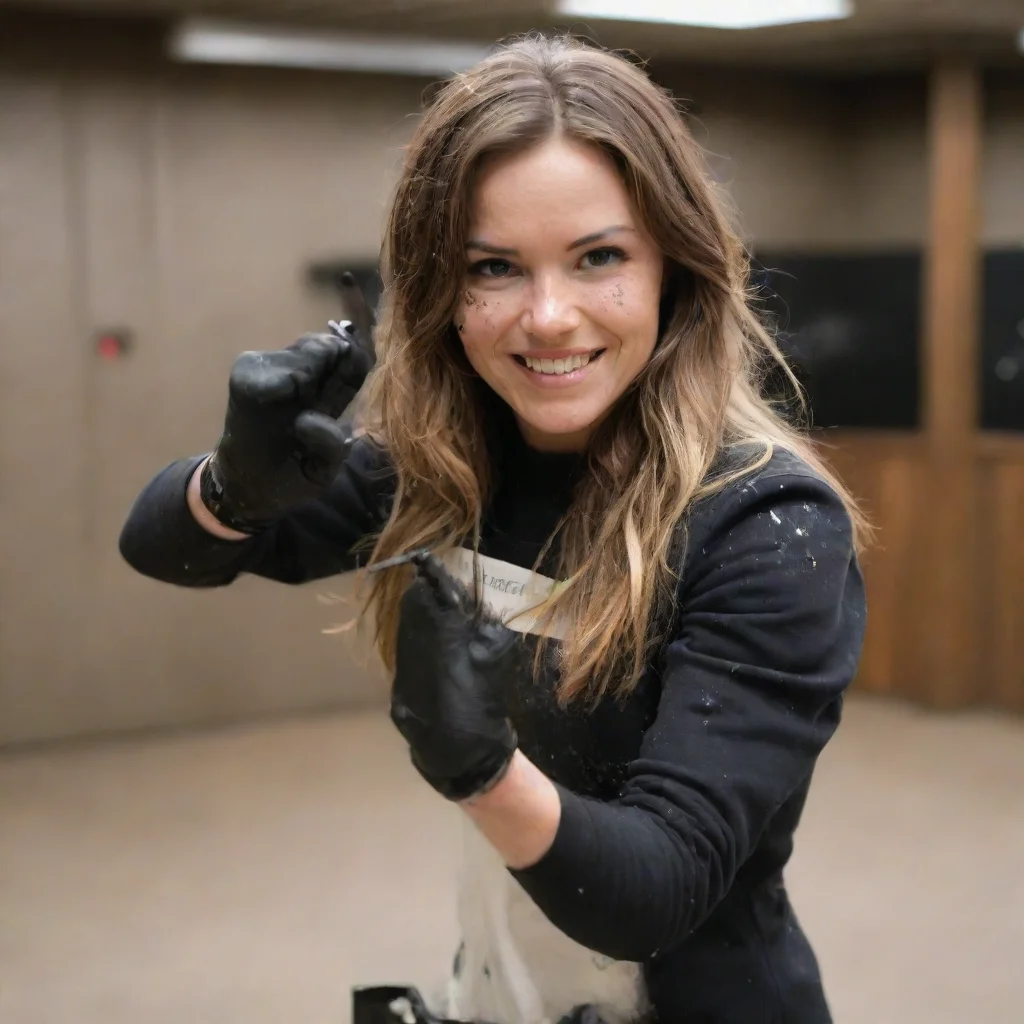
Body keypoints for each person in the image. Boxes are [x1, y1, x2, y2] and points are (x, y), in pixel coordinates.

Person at [119, 33, 868, 1024]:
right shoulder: (441, 468)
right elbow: (164, 549)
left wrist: (481, 771)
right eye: (495, 267)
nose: (548, 316)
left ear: (672, 272)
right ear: (444, 293)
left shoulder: (767, 524)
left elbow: (658, 889)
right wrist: (234, 483)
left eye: (597, 256)